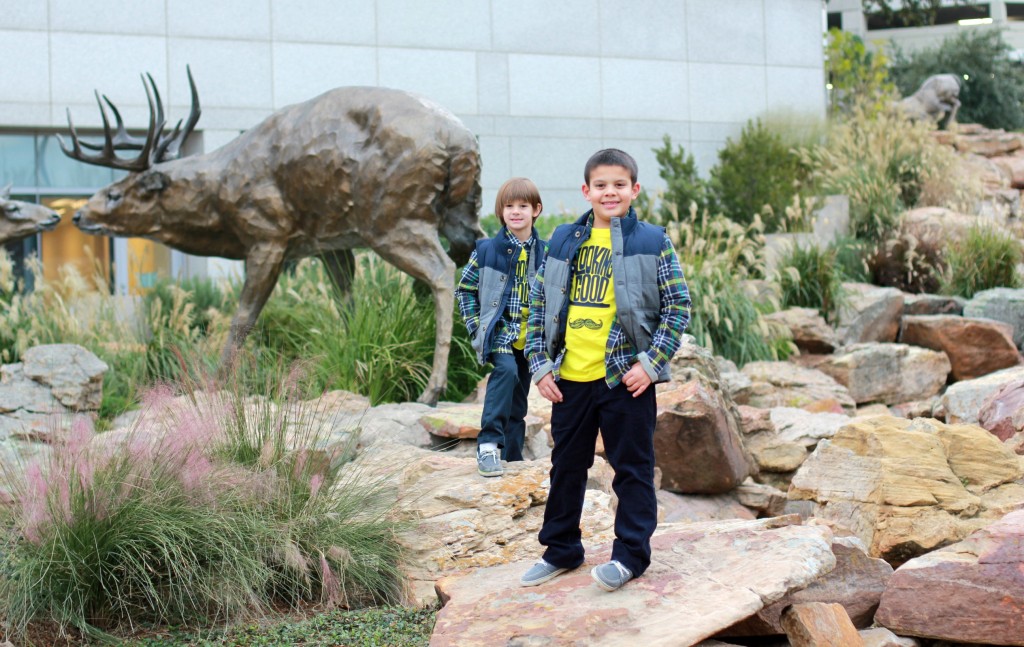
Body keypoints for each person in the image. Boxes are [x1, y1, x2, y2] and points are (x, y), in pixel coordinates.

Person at [520, 149, 690, 591]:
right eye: (600, 185)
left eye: (619, 184)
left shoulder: (652, 240)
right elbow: (538, 307)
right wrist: (540, 367)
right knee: (566, 467)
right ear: (586, 191)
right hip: (570, 378)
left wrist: (651, 366)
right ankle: (561, 550)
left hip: (624, 379)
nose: (609, 192)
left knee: (632, 468)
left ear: (634, 190)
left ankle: (630, 556)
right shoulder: (561, 239)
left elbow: (678, 307)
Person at [456, 177, 547, 477]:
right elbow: (465, 290)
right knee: (505, 372)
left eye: (523, 206)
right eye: (509, 206)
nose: (516, 212)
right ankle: (487, 446)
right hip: (500, 335)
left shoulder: (544, 253)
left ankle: (511, 456)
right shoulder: (486, 250)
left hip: (530, 339)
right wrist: (476, 328)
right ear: (501, 211)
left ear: (536, 210)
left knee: (518, 399)